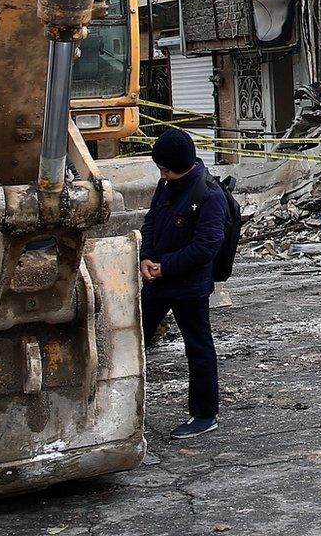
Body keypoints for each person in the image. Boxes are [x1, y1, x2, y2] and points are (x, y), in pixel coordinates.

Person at [140, 128, 226, 440]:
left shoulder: (209, 196)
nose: (162, 174)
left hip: (188, 285)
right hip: (157, 279)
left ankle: (204, 414)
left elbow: (206, 248)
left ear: (180, 165)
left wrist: (165, 268)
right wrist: (145, 257)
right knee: (134, 339)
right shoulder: (166, 184)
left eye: (165, 169)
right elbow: (151, 221)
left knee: (198, 347)